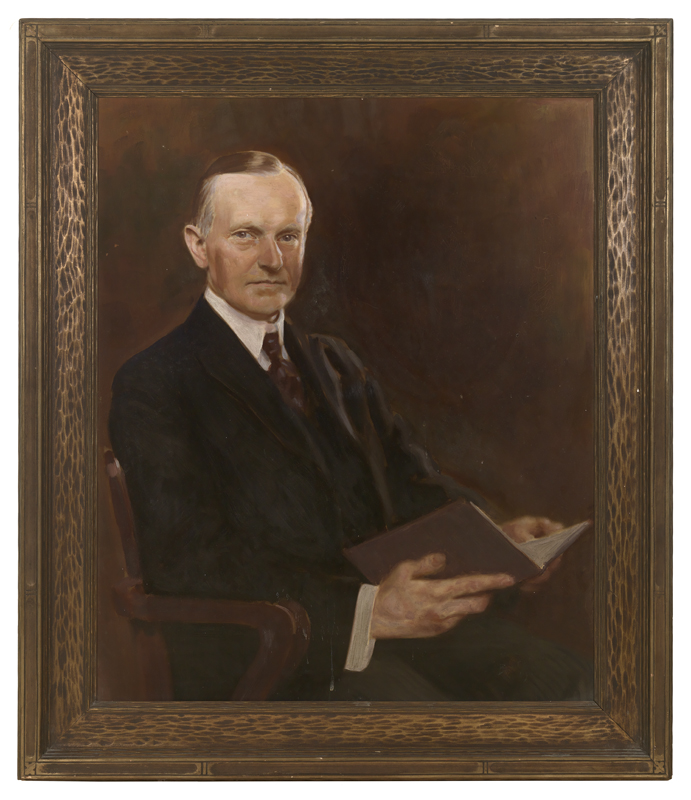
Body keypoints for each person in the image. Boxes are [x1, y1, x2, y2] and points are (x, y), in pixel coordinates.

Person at [109, 151, 591, 701]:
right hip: (276, 654)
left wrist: (492, 538)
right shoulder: (155, 381)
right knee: (427, 727)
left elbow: (412, 483)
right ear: (199, 245)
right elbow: (187, 559)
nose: (271, 259)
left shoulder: (334, 362)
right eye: (246, 235)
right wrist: (364, 613)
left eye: (288, 236)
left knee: (567, 684)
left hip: (399, 629)